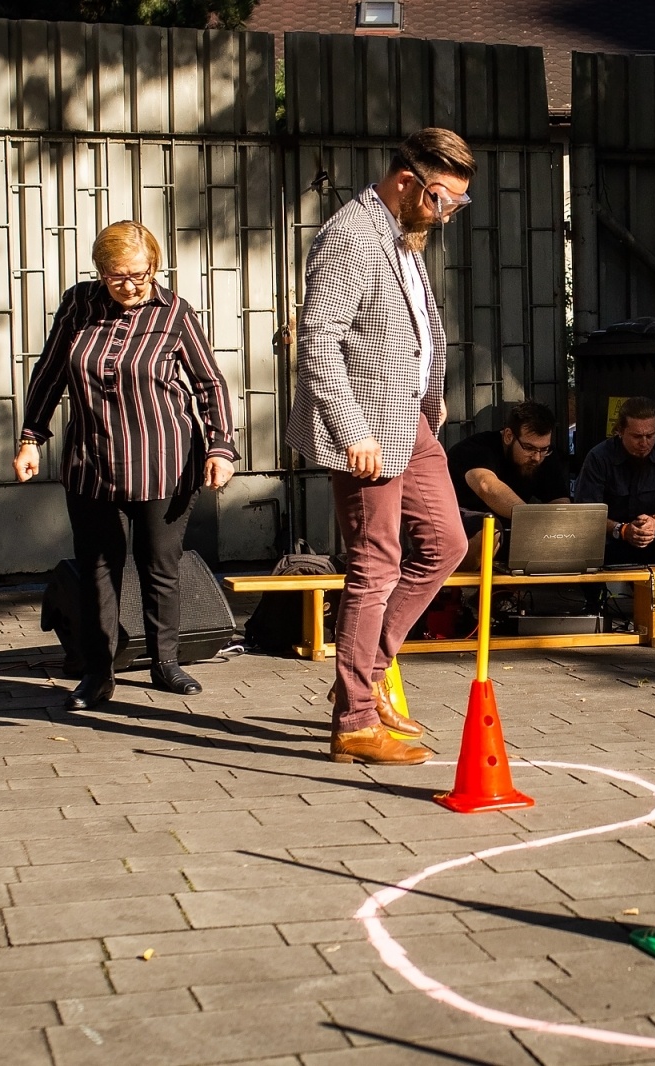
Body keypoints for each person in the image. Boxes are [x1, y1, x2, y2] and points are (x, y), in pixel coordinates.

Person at [285, 128, 474, 766]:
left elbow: (423, 323)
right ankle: (355, 721)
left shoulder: (402, 238)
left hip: (410, 421)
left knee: (448, 544)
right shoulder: (350, 234)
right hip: (365, 428)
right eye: (443, 199)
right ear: (406, 180)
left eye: (455, 203)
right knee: (377, 566)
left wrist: (430, 393)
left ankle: (372, 673)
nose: (446, 212)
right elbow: (319, 342)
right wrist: (352, 432)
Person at [15, 220, 238, 711]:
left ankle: (166, 662)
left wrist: (221, 447)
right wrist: (32, 438)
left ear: (155, 267)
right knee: (98, 568)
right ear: (100, 273)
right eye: (118, 277)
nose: (132, 286)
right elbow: (49, 373)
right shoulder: (78, 305)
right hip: (92, 463)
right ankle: (99, 672)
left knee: (160, 565)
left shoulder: (174, 311)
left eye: (141, 274)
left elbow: (210, 384)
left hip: (163, 460)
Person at [574, 396, 655, 570]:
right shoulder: (598, 457)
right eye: (637, 436)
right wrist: (622, 530)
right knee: (582, 540)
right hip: (611, 538)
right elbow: (586, 512)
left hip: (654, 536)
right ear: (620, 431)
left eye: (650, 435)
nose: (644, 443)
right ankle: (597, 594)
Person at [446, 399, 570, 570]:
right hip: (456, 528)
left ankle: (501, 593)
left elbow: (559, 501)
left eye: (544, 449)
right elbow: (486, 486)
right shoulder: (476, 448)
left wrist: (563, 526)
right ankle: (452, 590)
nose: (536, 457)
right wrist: (532, 520)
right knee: (488, 528)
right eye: (529, 448)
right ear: (508, 436)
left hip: (509, 531)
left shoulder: (544, 457)